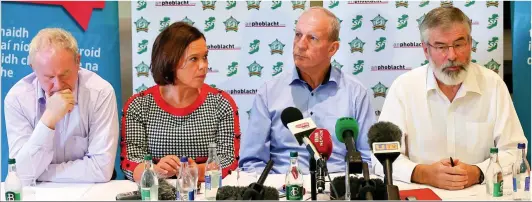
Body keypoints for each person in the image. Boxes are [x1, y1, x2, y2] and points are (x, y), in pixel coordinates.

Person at [374, 6, 528, 190]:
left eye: (459, 44)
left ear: (470, 43)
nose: (452, 56)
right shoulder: (404, 88)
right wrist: (422, 173)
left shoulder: (493, 85)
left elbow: (515, 152)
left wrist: (478, 172)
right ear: (426, 50)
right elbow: (381, 157)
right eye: (440, 47)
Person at [240, 7, 376, 174]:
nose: (300, 45)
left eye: (312, 38)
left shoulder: (355, 93)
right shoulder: (269, 93)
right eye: (298, 35)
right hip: (284, 191)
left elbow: (368, 159)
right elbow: (252, 162)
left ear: (332, 49)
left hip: (338, 191)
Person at [120, 22, 240, 182]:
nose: (203, 66)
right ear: (170, 61)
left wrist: (195, 171)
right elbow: (131, 162)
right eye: (193, 59)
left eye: (205, 57)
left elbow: (228, 160)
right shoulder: (139, 105)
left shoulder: (221, 103)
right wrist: (155, 171)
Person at [5, 28, 119, 182]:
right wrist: (48, 120)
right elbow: (21, 175)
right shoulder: (17, 99)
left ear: (78, 61)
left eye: (65, 75)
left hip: (91, 191)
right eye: (49, 77)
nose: (58, 85)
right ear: (33, 68)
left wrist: (40, 174)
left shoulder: (100, 93)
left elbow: (101, 169)